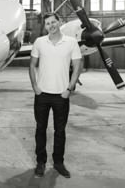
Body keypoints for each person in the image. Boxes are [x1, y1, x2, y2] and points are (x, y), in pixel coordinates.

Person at [29, 12, 82, 179]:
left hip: (61, 95)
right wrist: (35, 86)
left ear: (59, 22)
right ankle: (41, 162)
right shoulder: (39, 42)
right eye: (47, 24)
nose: (50, 26)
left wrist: (69, 88)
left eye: (53, 22)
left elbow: (77, 66)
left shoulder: (71, 42)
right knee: (40, 129)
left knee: (60, 131)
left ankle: (58, 163)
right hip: (42, 95)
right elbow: (32, 65)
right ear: (44, 27)